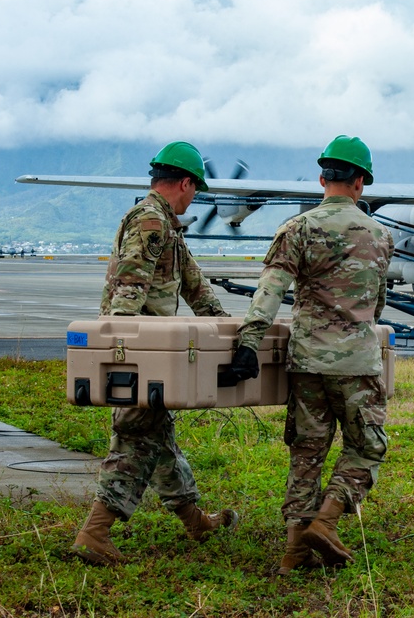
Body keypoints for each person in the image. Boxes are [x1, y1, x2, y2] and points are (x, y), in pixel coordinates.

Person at [226, 135, 394, 572]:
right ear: (360, 182)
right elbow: (377, 306)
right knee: (366, 446)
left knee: (306, 454)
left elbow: (270, 291)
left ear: (323, 178)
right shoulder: (380, 235)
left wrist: (249, 342)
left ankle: (293, 552)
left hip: (306, 363)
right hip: (357, 363)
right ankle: (328, 519)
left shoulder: (296, 229)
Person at [72, 141, 238, 566]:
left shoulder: (166, 225)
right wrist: (125, 354)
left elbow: (196, 288)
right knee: (135, 441)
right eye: (194, 189)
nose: (194, 197)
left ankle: (194, 520)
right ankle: (95, 533)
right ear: (184, 183)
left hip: (150, 351)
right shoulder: (150, 220)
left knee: (159, 438)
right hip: (140, 352)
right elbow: (129, 290)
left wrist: (231, 333)